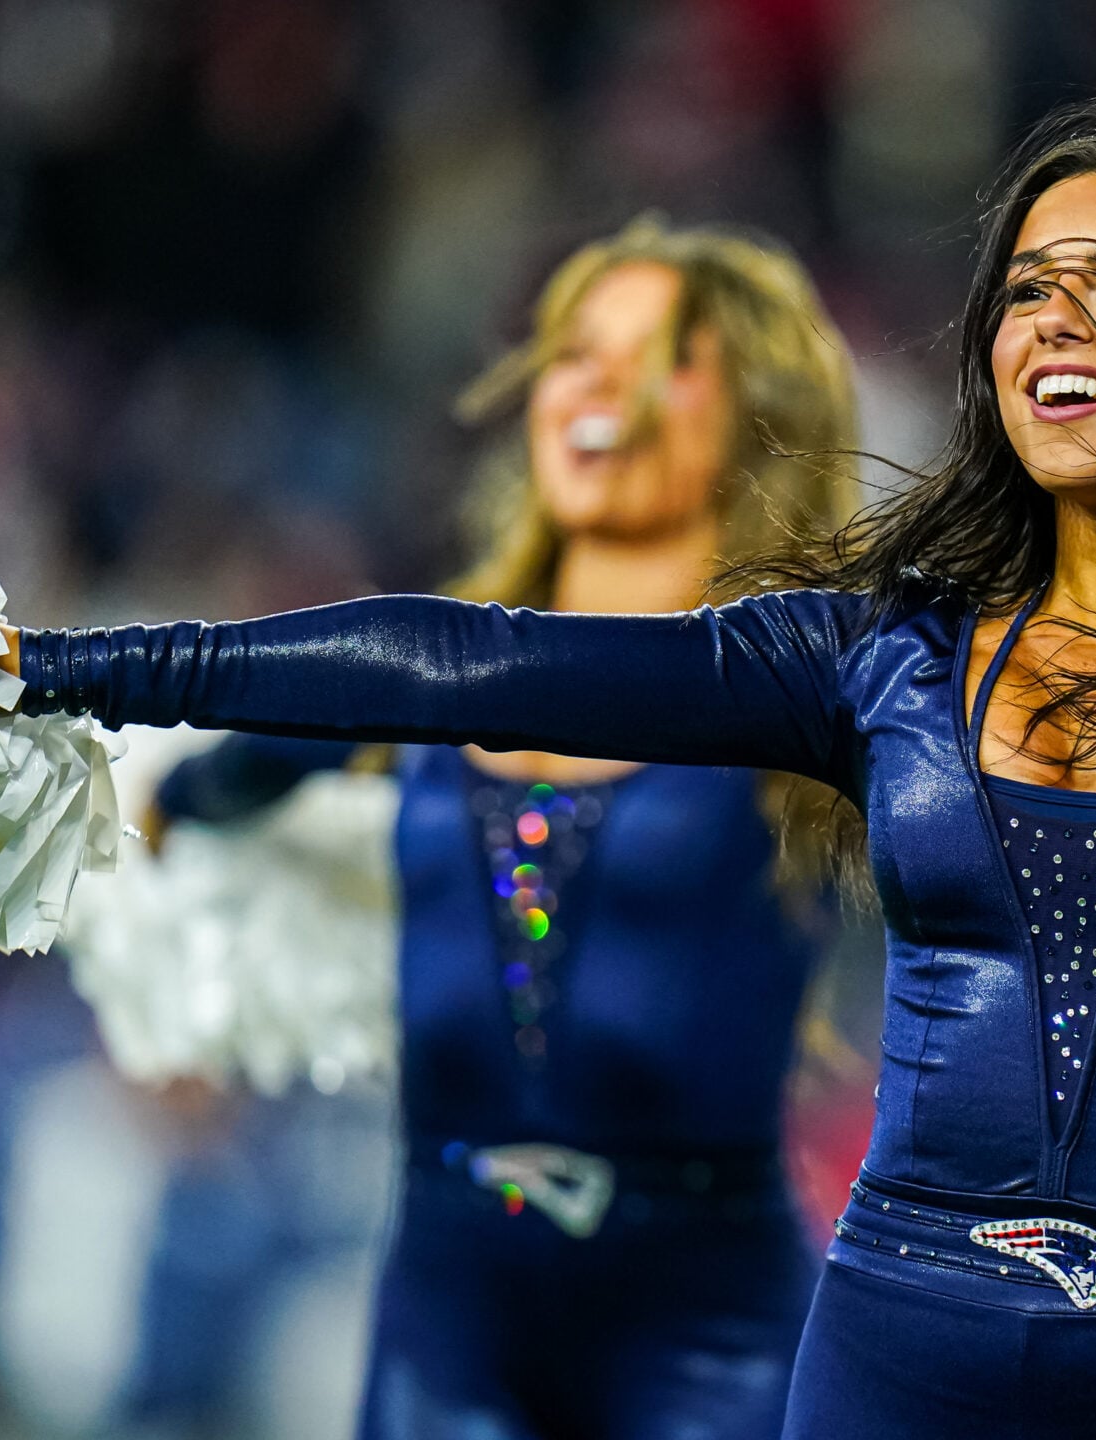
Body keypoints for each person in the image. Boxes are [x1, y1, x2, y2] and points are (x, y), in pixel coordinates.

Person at [7, 103, 1096, 1438]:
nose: (1059, 318)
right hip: (894, 1358)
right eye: (1029, 284)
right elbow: (476, 659)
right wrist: (85, 672)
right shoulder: (880, 652)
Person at [130, 218, 860, 1440]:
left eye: (660, 357)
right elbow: (236, 760)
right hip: (447, 1306)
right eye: (573, 349)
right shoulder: (429, 663)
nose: (596, 384)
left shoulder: (818, 686)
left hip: (710, 1328)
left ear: (758, 417)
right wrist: (156, 802)